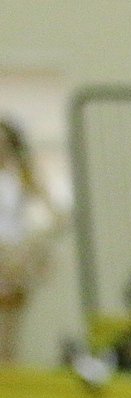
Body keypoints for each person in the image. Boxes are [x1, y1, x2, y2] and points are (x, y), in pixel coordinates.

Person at [0, 117, 59, 364]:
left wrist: (32, 248)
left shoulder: (22, 179)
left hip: (15, 259)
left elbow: (55, 215)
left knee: (9, 336)